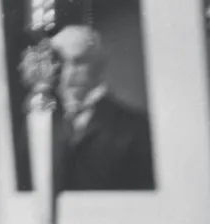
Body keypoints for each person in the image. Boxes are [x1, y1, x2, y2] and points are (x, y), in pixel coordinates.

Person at [50, 25, 155, 192]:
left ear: (98, 65)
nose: (68, 73)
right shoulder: (43, 126)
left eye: (79, 62)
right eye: (61, 63)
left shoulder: (136, 128)